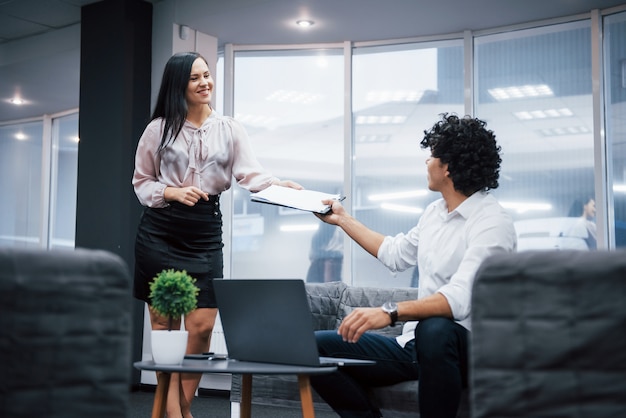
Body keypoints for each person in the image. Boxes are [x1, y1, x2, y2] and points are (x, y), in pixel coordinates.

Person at [310, 113, 517, 418]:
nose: (426, 162)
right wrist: (342, 219)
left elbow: (459, 299)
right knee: (313, 347)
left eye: (432, 154)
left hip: (476, 350)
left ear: (448, 167)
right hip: (418, 346)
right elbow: (395, 253)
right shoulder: (435, 213)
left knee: (436, 327)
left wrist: (389, 312)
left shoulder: (492, 222)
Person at [132, 51, 301, 418]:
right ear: (180, 85)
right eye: (195, 78)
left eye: (207, 75)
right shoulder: (157, 129)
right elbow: (141, 182)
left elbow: (251, 175)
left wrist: (281, 187)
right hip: (160, 230)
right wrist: (172, 192)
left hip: (205, 231)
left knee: (202, 326)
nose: (205, 82)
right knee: (164, 330)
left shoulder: (229, 128)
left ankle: (174, 409)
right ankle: (177, 413)